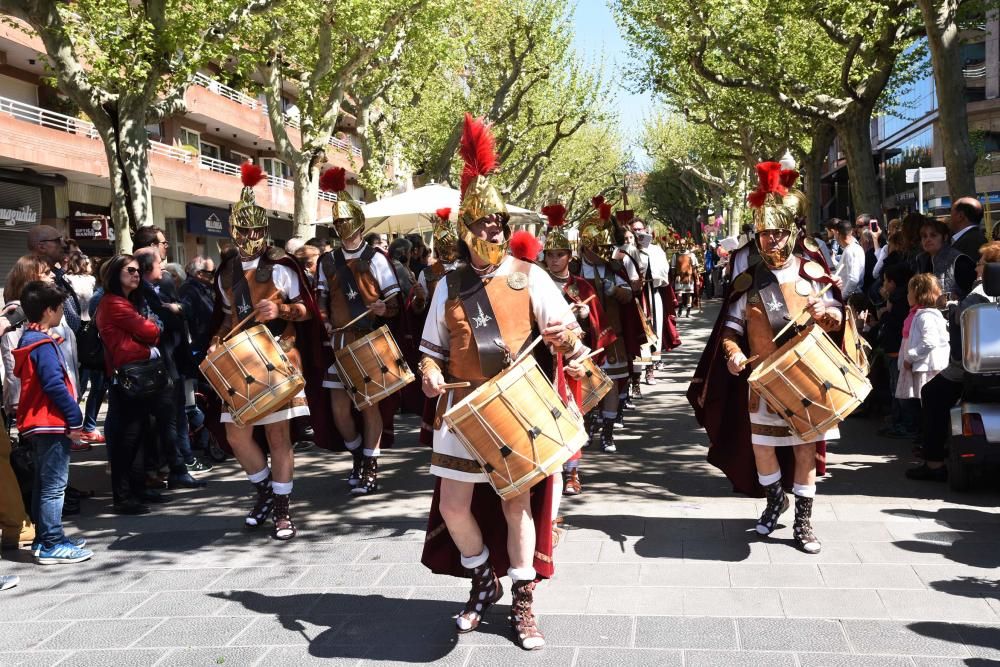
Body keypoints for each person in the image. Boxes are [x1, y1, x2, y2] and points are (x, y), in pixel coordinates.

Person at [419, 115, 587, 651]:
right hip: (462, 409)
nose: (491, 231)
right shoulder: (449, 284)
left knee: (516, 507)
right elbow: (431, 351)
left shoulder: (529, 276)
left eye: (497, 222)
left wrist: (564, 336)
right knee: (452, 507)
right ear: (465, 228)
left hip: (514, 411)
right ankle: (480, 576)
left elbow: (568, 336)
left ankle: (522, 598)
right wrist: (427, 375)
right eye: (482, 224)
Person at [689, 162, 842, 554]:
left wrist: (832, 316)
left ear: (790, 233)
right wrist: (734, 353)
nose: (770, 240)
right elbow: (730, 329)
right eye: (764, 234)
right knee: (763, 447)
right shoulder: (749, 281)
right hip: (763, 381)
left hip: (807, 379)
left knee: (806, 447)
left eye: (776, 233)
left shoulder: (812, 273)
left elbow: (839, 318)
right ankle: (776, 499)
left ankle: (804, 522)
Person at [208, 162, 328, 538]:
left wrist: (282, 309)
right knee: (236, 436)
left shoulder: (281, 267)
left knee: (279, 438)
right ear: (234, 230)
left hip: (278, 356)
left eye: (257, 229)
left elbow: (308, 311)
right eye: (244, 229)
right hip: (241, 360)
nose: (251, 235)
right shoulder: (224, 271)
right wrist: (217, 339)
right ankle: (263, 492)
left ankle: (281, 510)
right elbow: (227, 318)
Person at [316, 166, 401, 495]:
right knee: (340, 411)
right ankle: (357, 455)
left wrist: (384, 308)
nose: (342, 227)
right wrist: (324, 319)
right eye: (337, 223)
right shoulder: (328, 260)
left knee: (368, 405)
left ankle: (371, 464)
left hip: (368, 339)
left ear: (358, 222)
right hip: (339, 341)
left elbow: (394, 300)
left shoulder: (376, 257)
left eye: (346, 221)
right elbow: (321, 296)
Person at [13, 281, 92, 565]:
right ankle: (51, 542)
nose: (62, 313)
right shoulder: (43, 344)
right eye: (60, 308)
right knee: (54, 486)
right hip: (50, 421)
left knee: (43, 483)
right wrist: (74, 416)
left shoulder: (29, 338)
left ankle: (43, 538)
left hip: (38, 422)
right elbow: (54, 385)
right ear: (48, 310)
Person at [907, 240, 1000, 481]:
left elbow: (963, 333)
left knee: (932, 393)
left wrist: (952, 308)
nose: (976, 268)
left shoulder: (980, 293)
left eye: (980, 264)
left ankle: (934, 462)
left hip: (975, 370)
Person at [540, 200, 612, 498]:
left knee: (572, 416)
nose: (554, 260)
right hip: (542, 360)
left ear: (569, 256)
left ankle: (573, 473)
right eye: (550, 255)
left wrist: (585, 319)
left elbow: (598, 327)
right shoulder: (537, 282)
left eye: (560, 255)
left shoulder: (582, 286)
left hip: (571, 363)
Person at [95, 254, 164, 514]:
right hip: (128, 376)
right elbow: (151, 331)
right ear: (116, 274)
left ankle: (137, 489)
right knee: (129, 437)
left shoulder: (123, 301)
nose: (136, 274)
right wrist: (150, 340)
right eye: (130, 270)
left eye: (138, 271)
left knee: (140, 433)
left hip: (132, 374)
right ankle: (124, 496)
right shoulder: (114, 303)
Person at [135, 248, 208, 485]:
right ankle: (171, 467)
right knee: (167, 420)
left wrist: (178, 310)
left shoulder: (161, 287)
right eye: (159, 263)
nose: (163, 267)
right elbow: (159, 324)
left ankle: (176, 465)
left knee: (174, 418)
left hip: (172, 361)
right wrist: (172, 312)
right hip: (159, 365)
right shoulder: (141, 294)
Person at [577, 197, 636, 452]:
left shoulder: (614, 268)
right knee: (585, 386)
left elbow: (631, 294)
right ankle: (587, 428)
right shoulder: (574, 269)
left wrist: (617, 292)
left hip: (612, 337)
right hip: (582, 339)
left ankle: (608, 433)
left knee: (610, 384)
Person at [3, 257, 81, 446]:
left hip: (56, 400)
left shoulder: (49, 308)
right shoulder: (19, 312)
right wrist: (17, 399)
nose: (52, 275)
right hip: (40, 408)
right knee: (47, 468)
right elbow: (12, 356)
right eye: (46, 273)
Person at [895, 273, 949, 409]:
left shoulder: (926, 317)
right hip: (917, 366)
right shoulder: (917, 314)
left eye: (909, 292)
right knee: (916, 403)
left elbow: (929, 342)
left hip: (925, 368)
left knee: (924, 404)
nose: (907, 295)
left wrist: (911, 357)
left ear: (920, 294)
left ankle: (916, 429)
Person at [27, 225, 80, 333]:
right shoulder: (29, 281)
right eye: (58, 240)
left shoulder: (57, 275)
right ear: (42, 247)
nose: (64, 244)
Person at [916, 217, 976, 301]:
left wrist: (952, 299)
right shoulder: (921, 260)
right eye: (924, 236)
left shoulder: (959, 260)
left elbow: (972, 295)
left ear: (945, 237)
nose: (928, 239)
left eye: (933, 235)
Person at [834, 218, 865, 298]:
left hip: (851, 298)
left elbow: (853, 279)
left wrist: (842, 297)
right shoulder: (851, 249)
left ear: (837, 233)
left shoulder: (851, 250)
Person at [949, 197, 986, 261]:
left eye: (951, 213)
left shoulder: (973, 241)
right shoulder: (976, 238)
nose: (950, 217)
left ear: (960, 216)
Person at [673, 243, 698, 317]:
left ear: (686, 245)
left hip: (689, 277)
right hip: (679, 278)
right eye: (681, 244)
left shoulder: (691, 255)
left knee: (688, 294)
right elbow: (673, 267)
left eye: (684, 244)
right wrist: (674, 276)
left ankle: (688, 312)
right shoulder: (675, 255)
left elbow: (694, 267)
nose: (682, 245)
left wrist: (696, 278)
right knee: (679, 295)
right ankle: (680, 310)